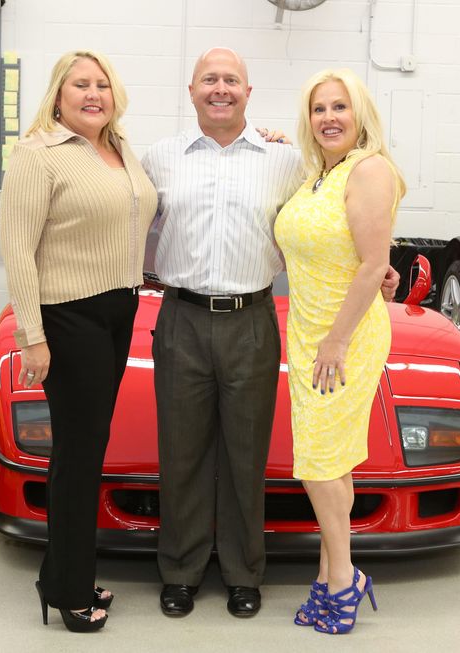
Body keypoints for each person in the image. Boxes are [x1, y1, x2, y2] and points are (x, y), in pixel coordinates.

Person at [142, 47, 398, 620]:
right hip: (181, 316)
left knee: (247, 452)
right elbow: (119, 213)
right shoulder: (159, 157)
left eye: (232, 79)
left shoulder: (286, 162)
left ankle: (242, 573)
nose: (221, 88)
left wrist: (380, 270)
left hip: (253, 319)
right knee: (180, 451)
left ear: (248, 92)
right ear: (191, 90)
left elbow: (346, 226)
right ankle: (180, 571)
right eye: (209, 79)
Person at [0, 50, 157, 633]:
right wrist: (32, 337)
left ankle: (68, 575)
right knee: (79, 455)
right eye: (80, 85)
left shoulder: (119, 148)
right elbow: (18, 248)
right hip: (68, 317)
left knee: (88, 449)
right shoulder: (37, 153)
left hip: (118, 309)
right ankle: (68, 592)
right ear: (59, 95)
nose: (93, 94)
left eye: (102, 84)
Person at [274, 67, 406, 635]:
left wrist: (337, 339)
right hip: (309, 332)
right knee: (331, 462)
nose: (329, 117)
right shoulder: (318, 175)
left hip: (343, 337)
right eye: (318, 108)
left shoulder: (369, 169)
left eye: (339, 107)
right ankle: (331, 574)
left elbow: (375, 264)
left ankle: (343, 581)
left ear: (360, 115)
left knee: (319, 464)